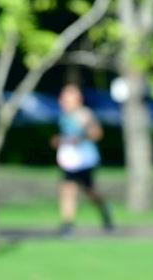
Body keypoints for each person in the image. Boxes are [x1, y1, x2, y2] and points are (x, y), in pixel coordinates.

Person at [54, 84, 114, 236]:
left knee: (89, 191)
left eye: (67, 98)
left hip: (85, 159)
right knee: (68, 189)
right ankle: (68, 224)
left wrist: (79, 138)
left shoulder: (84, 115)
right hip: (70, 161)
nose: (63, 101)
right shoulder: (64, 115)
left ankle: (104, 208)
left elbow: (97, 133)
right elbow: (66, 136)